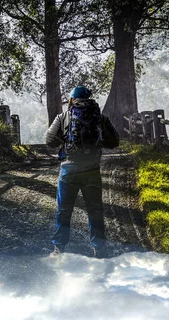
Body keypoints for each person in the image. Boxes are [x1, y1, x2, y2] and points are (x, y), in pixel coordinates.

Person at [45, 86, 119, 257]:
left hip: (68, 169)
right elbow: (115, 141)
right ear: (90, 99)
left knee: (64, 210)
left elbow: (49, 140)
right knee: (95, 210)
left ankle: (58, 248)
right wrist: (98, 143)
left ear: (72, 99)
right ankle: (99, 248)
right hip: (92, 169)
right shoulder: (100, 118)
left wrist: (64, 141)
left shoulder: (63, 117)